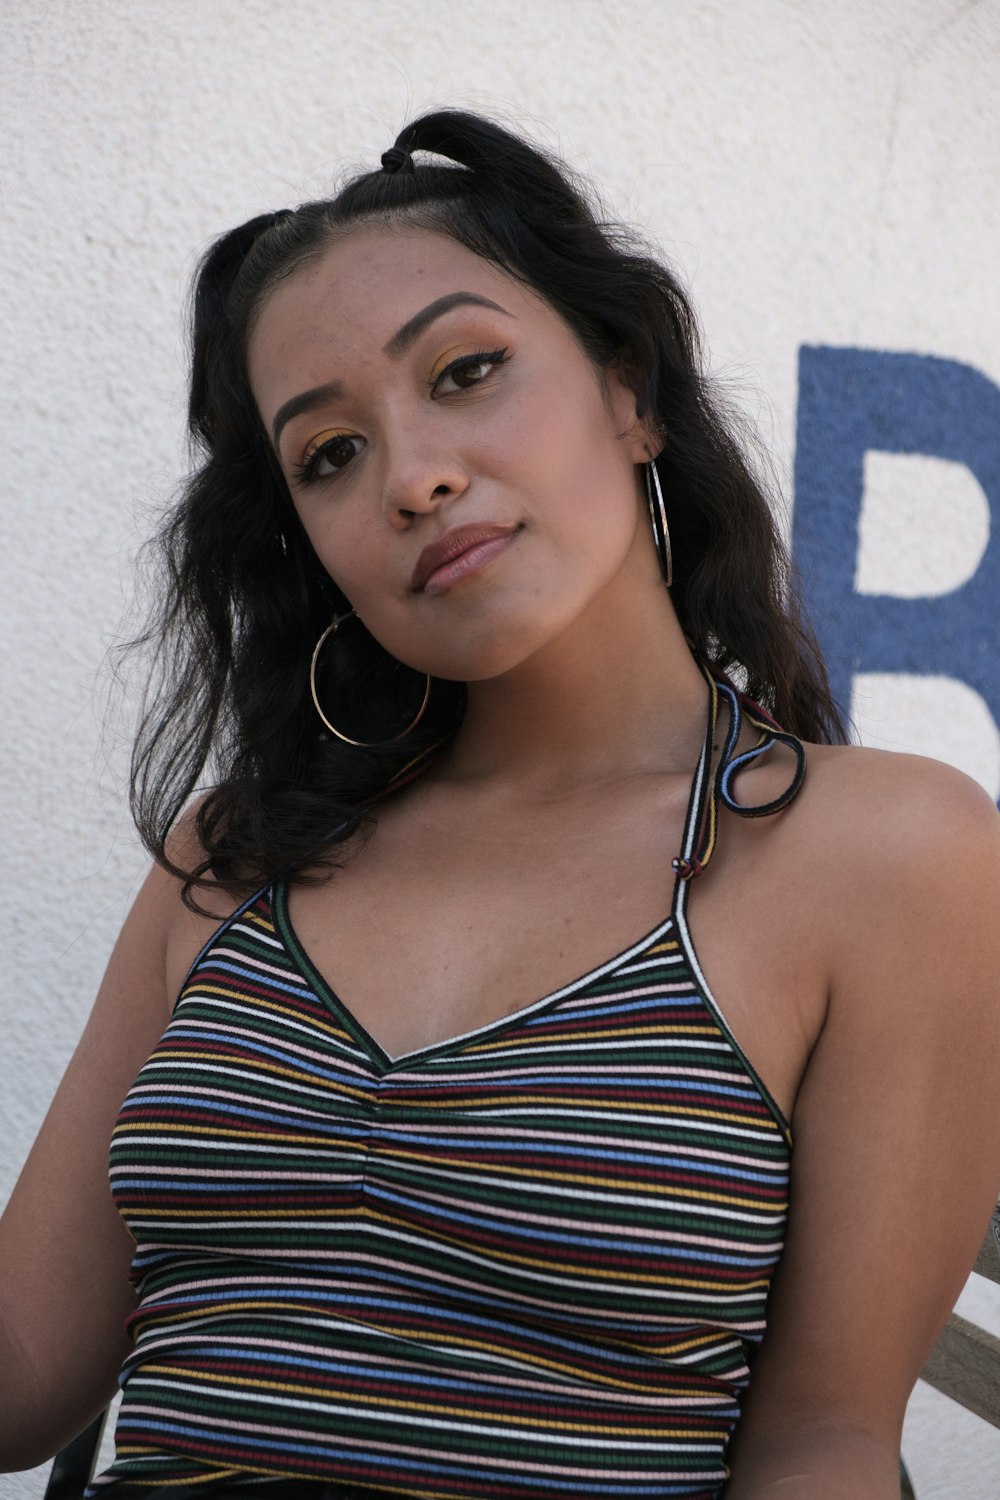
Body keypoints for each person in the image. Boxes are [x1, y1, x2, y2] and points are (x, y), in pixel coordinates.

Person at [1, 109, 999, 1500]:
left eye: (466, 371)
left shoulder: (885, 853)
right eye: (328, 457)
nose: (412, 476)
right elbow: (26, 1368)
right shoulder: (236, 857)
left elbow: (823, 1441)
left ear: (631, 389)